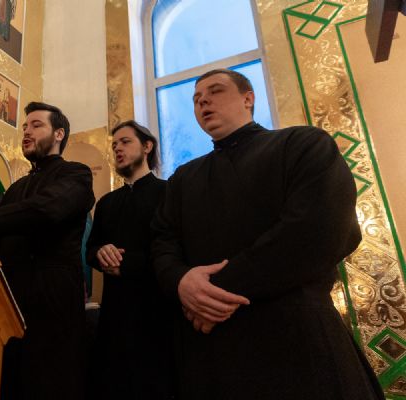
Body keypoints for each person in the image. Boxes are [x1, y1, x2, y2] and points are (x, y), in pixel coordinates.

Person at [151, 69, 384, 400]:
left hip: (299, 340)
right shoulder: (183, 179)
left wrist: (208, 296)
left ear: (248, 98)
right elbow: (162, 241)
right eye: (196, 98)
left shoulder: (303, 144)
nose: (203, 101)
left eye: (215, 91)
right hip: (213, 354)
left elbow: (317, 231)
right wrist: (180, 280)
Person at [0, 101, 95, 400]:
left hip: (53, 303)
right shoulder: (16, 189)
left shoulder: (76, 174)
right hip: (12, 304)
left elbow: (45, 210)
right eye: (25, 126)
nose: (26, 132)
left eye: (36, 125)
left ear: (58, 134)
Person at [86, 121, 173, 400]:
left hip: (157, 313)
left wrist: (128, 263)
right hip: (114, 313)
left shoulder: (169, 192)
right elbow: (90, 249)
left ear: (147, 146)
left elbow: (175, 250)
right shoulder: (107, 203)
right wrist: (100, 253)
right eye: (114, 145)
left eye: (125, 142)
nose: (118, 149)